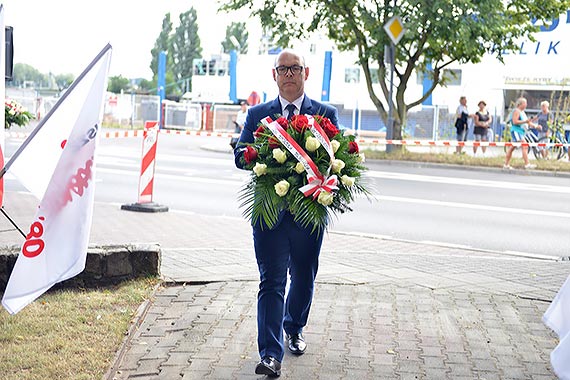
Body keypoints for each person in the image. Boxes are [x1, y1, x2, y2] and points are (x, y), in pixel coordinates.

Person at [234, 49, 338, 378]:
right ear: (274, 75)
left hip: (308, 214)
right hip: (270, 214)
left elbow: (338, 159)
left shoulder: (325, 113)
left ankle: (294, 327)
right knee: (271, 281)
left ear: (306, 73)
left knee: (304, 275)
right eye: (283, 69)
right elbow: (240, 154)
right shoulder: (258, 114)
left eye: (295, 68)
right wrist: (249, 153)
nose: (289, 74)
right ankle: (270, 354)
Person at [503, 97, 541, 170]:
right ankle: (527, 164)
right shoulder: (516, 111)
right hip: (516, 131)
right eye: (525, 103)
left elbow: (527, 122)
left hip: (521, 131)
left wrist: (535, 126)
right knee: (524, 145)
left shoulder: (522, 112)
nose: (526, 105)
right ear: (520, 104)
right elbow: (515, 121)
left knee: (512, 147)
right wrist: (525, 122)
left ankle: (506, 164)